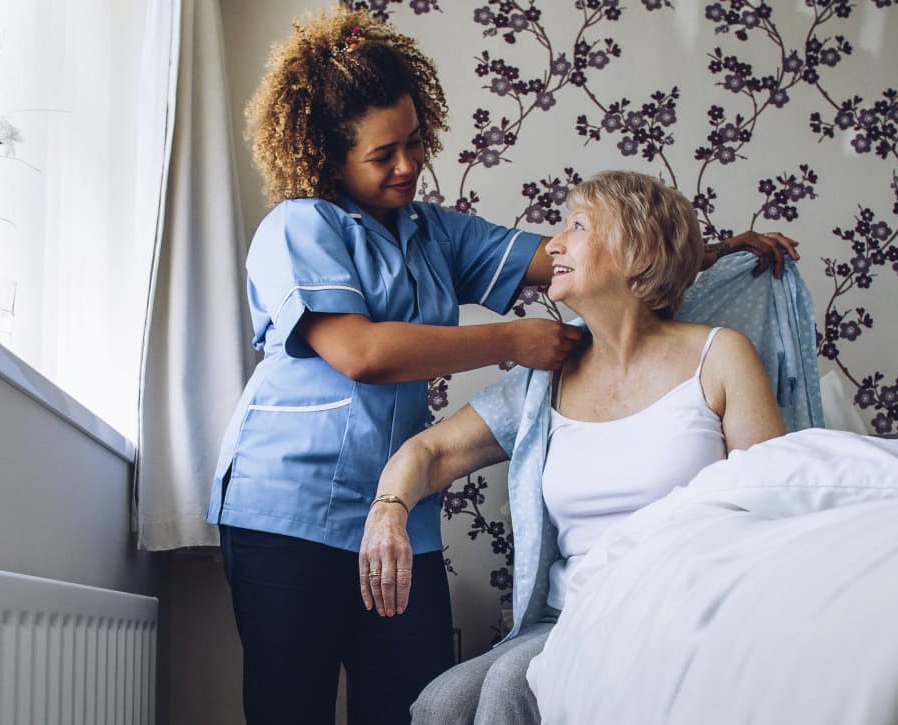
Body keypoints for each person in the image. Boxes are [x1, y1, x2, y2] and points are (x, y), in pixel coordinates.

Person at [210, 9, 800, 724]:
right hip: (288, 506)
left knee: (412, 704)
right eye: (382, 154)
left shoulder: (434, 234)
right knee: (289, 709)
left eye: (414, 142)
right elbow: (360, 353)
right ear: (330, 156)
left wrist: (705, 251)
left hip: (402, 509)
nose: (407, 166)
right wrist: (510, 341)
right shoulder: (297, 227)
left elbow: (584, 255)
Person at [355, 171, 790, 724]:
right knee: (440, 704)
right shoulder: (546, 380)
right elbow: (430, 454)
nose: (555, 244)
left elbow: (775, 501)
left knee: (513, 687)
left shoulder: (721, 355)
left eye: (577, 226)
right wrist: (388, 510)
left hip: (675, 610)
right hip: (567, 615)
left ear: (641, 250)